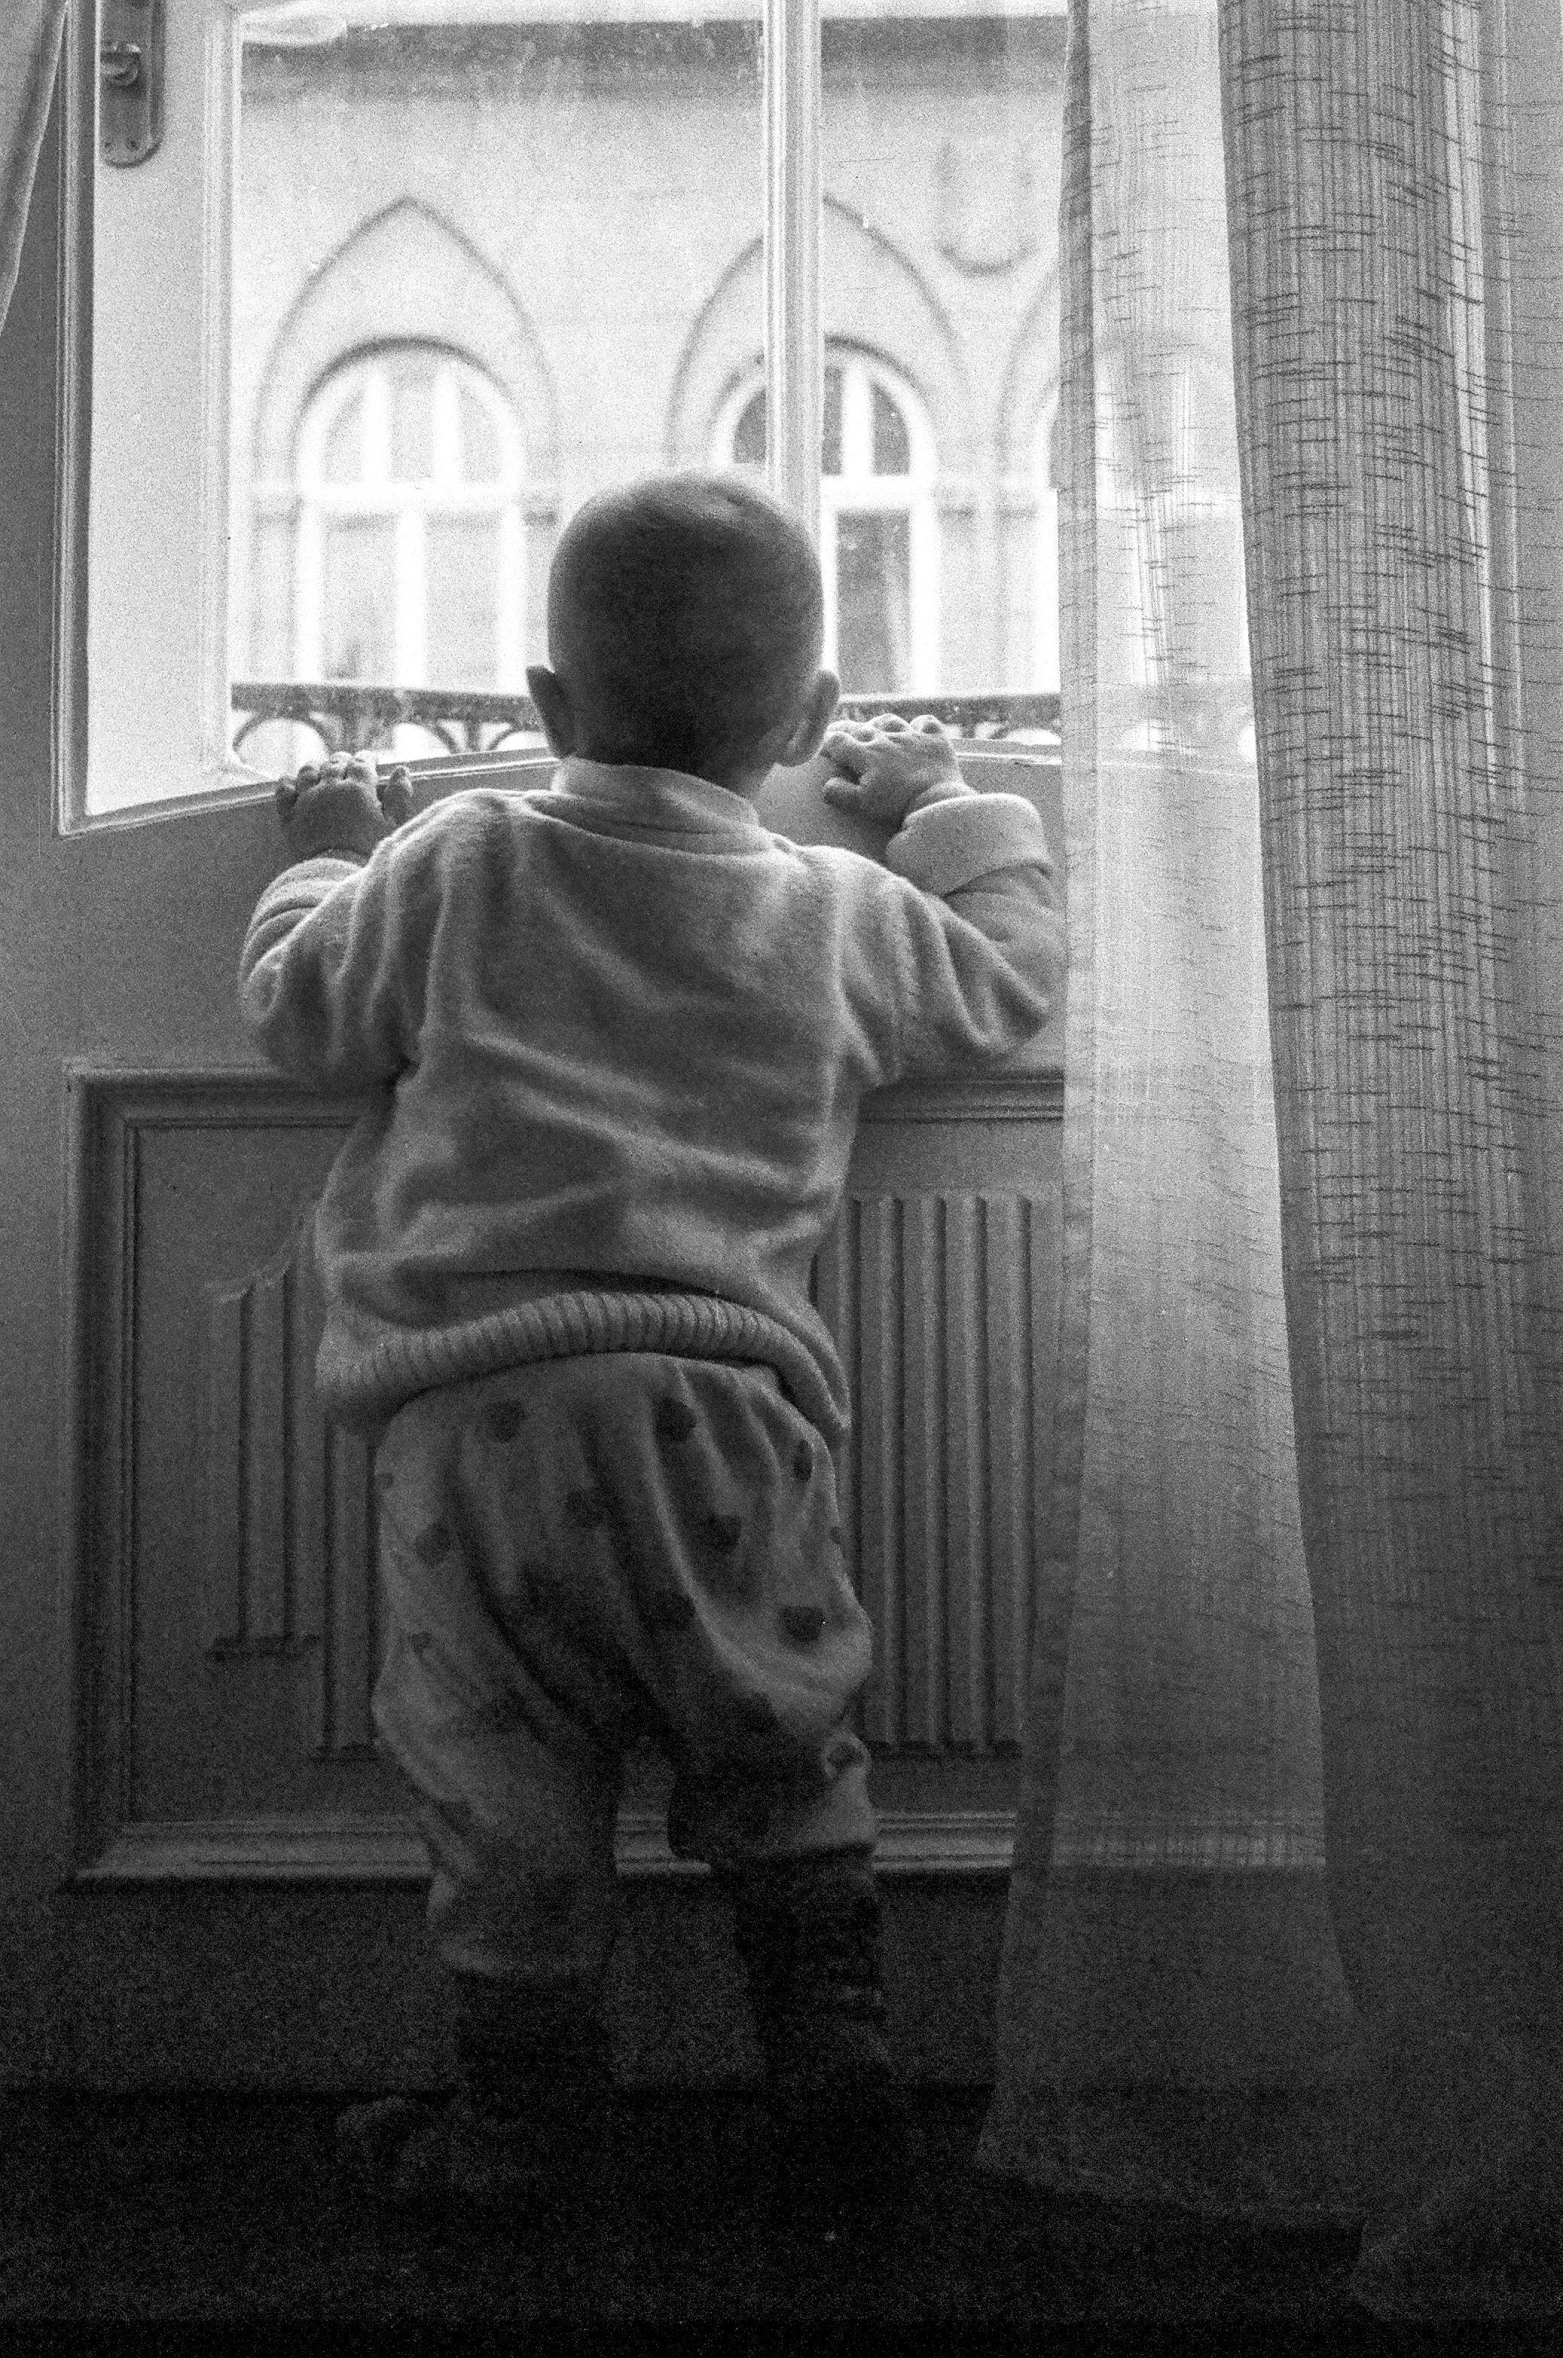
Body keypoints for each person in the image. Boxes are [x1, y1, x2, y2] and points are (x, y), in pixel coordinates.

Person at [239, 471, 1064, 2224]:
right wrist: (949, 810)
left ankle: (524, 2132)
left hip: (474, 1416)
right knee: (774, 1740)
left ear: (542, 711)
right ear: (812, 723)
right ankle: (836, 2075)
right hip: (723, 1410)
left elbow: (301, 1014)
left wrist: (317, 845)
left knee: (501, 1771)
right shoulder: (834, 913)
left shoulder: (458, 855)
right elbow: (1009, 983)